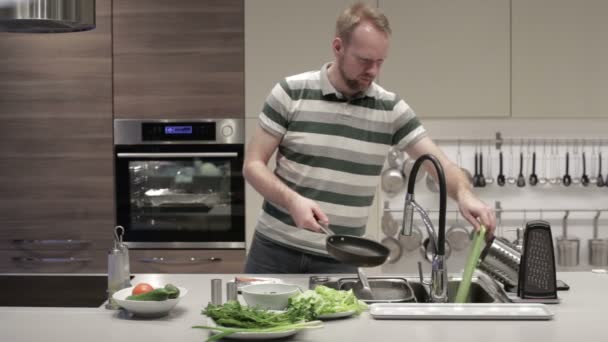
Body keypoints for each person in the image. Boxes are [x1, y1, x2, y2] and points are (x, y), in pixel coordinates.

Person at [243, 2, 496, 274]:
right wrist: (293, 201)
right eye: (364, 60)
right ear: (338, 47)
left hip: (341, 258)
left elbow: (440, 166)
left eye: (380, 62)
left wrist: (465, 195)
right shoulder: (291, 93)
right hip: (274, 250)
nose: (373, 71)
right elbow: (253, 165)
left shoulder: (391, 109)